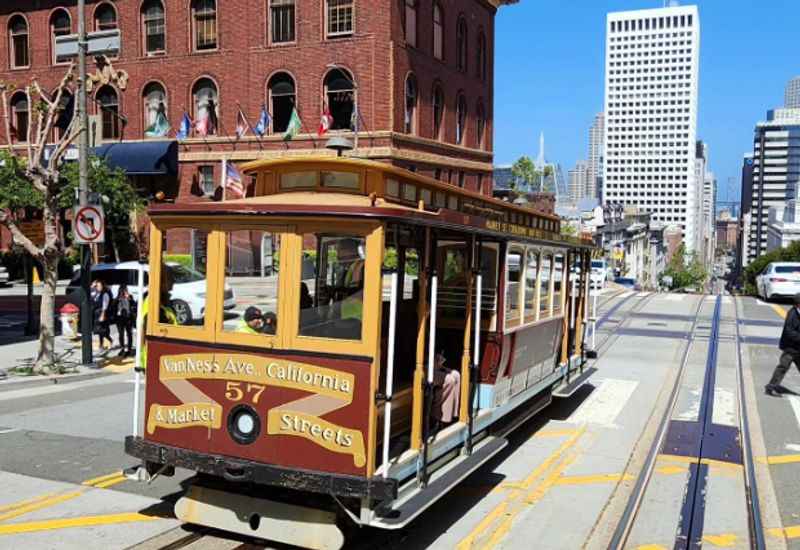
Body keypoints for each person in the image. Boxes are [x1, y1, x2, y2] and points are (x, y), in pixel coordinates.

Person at [137, 268, 178, 371]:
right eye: (171, 278)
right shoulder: (153, 305)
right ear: (162, 281)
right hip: (155, 361)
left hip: (163, 359)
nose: (173, 281)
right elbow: (151, 335)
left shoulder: (163, 301)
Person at [766, 293, 800, 397]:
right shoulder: (792, 314)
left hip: (798, 348)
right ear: (798, 304)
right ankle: (771, 387)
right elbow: (788, 332)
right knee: (783, 367)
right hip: (790, 348)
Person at [432, 352, 461, 428]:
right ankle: (438, 417)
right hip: (422, 367)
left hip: (434, 365)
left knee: (456, 375)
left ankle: (452, 416)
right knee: (449, 380)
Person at [115, 285, 136, 357]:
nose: (124, 293)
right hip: (120, 319)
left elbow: (134, 305)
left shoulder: (130, 297)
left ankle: (129, 349)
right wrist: (118, 299)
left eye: (125, 290)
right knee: (121, 334)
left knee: (129, 334)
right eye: (122, 291)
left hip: (128, 318)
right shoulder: (117, 299)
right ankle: (122, 348)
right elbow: (113, 307)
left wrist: (129, 298)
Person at [92, 279, 113, 350]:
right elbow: (90, 294)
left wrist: (102, 315)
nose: (98, 287)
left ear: (103, 286)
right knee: (99, 331)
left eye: (99, 286)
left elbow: (105, 305)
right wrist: (92, 286)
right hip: (97, 313)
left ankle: (110, 340)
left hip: (102, 313)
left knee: (103, 330)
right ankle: (101, 345)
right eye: (97, 286)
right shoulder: (97, 293)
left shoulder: (105, 294)